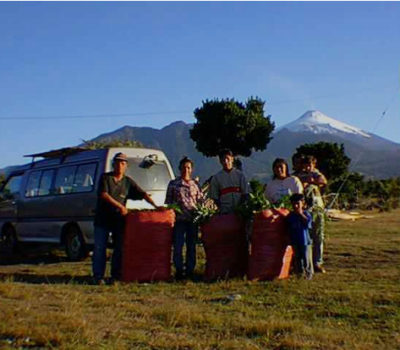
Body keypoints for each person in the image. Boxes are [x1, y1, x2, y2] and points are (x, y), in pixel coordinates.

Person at [92, 152, 161, 285]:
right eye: (117, 162)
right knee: (100, 248)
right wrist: (120, 206)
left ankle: (115, 276)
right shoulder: (106, 178)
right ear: (113, 164)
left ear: (126, 166)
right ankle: (98, 276)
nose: (120, 165)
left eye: (123, 163)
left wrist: (156, 206)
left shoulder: (128, 182)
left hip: (118, 221)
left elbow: (142, 193)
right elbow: (104, 195)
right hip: (102, 220)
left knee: (119, 248)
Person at [165, 156, 203, 280]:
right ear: (180, 168)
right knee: (178, 246)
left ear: (191, 170)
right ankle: (179, 270)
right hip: (179, 220)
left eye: (188, 167)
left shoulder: (195, 185)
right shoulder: (173, 184)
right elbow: (169, 202)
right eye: (183, 167)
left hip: (192, 220)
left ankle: (190, 270)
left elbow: (200, 201)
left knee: (191, 246)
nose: (186, 170)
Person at [296, 155, 327, 273]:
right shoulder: (299, 175)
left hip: (317, 208)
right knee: (307, 237)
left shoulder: (316, 174)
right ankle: (307, 262)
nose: (308, 168)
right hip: (306, 209)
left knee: (319, 236)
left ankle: (318, 262)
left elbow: (323, 181)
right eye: (306, 165)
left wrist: (312, 181)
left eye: (310, 165)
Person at [209, 149, 249, 214]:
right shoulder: (216, 178)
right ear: (220, 161)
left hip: (240, 211)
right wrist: (221, 208)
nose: (226, 161)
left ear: (232, 159)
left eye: (227, 159)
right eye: (223, 160)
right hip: (225, 211)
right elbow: (214, 196)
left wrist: (241, 207)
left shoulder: (240, 175)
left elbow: (245, 193)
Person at [287, 193, 313, 280]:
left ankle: (308, 274)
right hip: (295, 240)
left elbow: (307, 224)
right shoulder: (290, 216)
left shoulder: (306, 214)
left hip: (305, 240)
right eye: (294, 204)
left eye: (298, 203)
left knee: (306, 258)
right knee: (297, 258)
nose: (296, 206)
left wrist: (300, 214)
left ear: (303, 203)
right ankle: (299, 273)